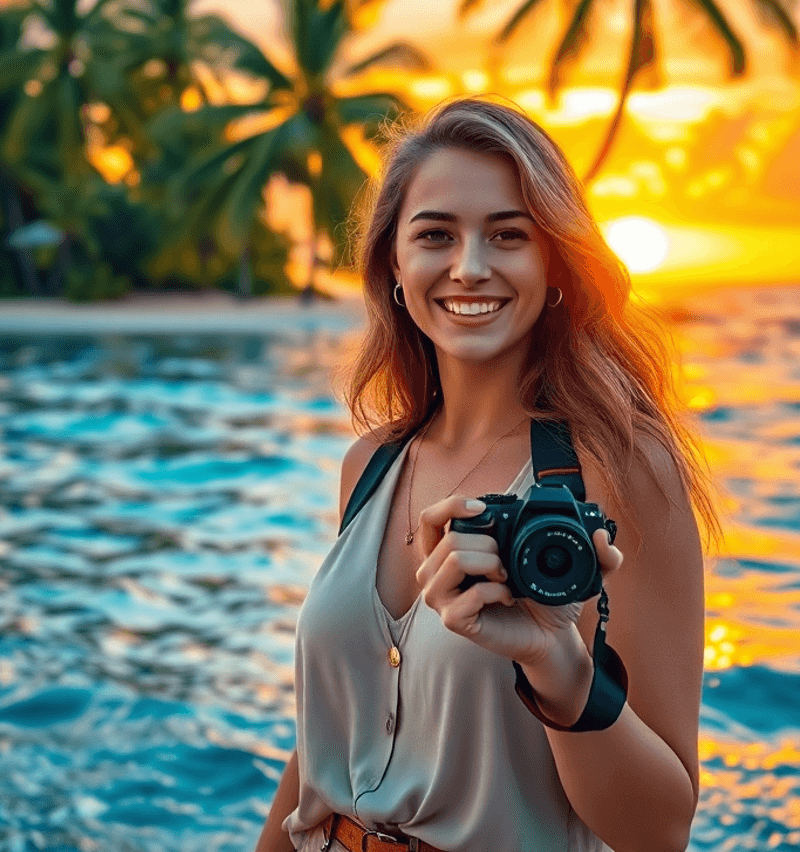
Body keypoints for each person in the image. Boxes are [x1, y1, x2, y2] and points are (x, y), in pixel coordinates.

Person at [254, 98, 714, 852]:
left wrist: (557, 664)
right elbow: (324, 743)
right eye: (436, 234)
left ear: (555, 266)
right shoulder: (369, 466)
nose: (470, 266)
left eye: (509, 235)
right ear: (394, 267)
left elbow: (659, 833)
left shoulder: (622, 472)